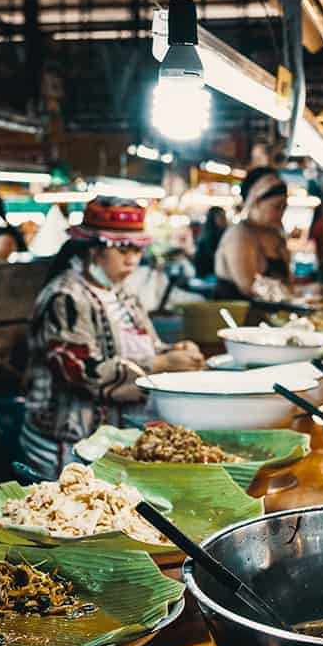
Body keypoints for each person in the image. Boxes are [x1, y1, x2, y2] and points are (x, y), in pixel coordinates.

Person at [20, 197, 204, 476]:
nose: (132, 259)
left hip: (114, 440)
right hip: (67, 443)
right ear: (93, 250)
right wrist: (161, 364)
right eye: (122, 249)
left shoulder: (123, 292)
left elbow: (148, 346)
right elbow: (79, 372)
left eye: (137, 250)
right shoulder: (65, 298)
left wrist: (176, 350)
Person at [213, 167, 291, 299]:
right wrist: (294, 294)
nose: (281, 213)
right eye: (276, 206)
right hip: (238, 317)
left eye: (284, 207)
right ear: (255, 202)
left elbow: (288, 282)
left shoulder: (276, 236)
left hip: (272, 316)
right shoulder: (240, 235)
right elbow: (249, 287)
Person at [193, 206, 227, 278]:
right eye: (221, 217)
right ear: (212, 219)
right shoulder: (207, 237)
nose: (224, 219)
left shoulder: (224, 233)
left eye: (224, 216)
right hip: (208, 276)